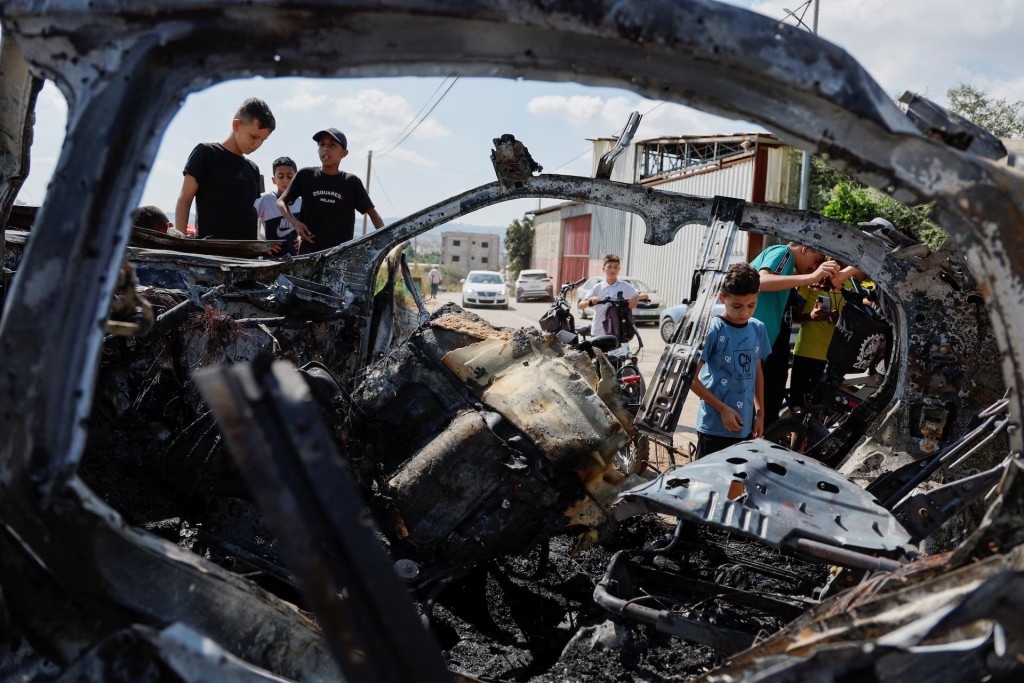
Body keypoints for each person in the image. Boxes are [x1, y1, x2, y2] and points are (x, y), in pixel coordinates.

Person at [749, 242, 842, 427]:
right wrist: (811, 277)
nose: (814, 267)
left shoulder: (790, 268)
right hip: (754, 343)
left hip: (764, 346)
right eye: (816, 261)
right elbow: (762, 281)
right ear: (805, 249)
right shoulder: (784, 253)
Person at [691, 263, 772, 458]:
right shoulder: (712, 330)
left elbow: (757, 370)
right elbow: (690, 378)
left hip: (744, 427)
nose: (744, 312)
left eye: (751, 305)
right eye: (737, 306)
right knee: (709, 485)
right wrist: (723, 409)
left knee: (737, 482)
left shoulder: (758, 328)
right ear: (722, 298)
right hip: (714, 427)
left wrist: (760, 413)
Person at [175, 97, 276, 241]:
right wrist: (180, 241)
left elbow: (253, 213)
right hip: (212, 253)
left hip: (248, 256)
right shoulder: (206, 153)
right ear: (236, 125)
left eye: (263, 140)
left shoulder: (253, 168)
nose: (257, 144)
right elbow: (185, 199)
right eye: (253, 136)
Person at [277, 127, 384, 255]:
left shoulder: (351, 182)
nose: (325, 148)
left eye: (332, 145)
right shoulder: (306, 175)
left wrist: (388, 242)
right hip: (308, 254)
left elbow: (372, 213)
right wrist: (295, 223)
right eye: (322, 144)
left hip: (340, 256)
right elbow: (281, 202)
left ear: (344, 153)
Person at [788, 265, 867, 411]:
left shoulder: (850, 284)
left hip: (834, 357)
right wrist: (811, 316)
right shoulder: (814, 279)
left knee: (822, 410)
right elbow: (794, 316)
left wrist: (839, 318)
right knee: (799, 409)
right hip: (807, 352)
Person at [578, 253, 644, 338]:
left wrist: (636, 297)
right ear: (603, 269)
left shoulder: (624, 286)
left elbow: (645, 295)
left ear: (619, 269)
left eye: (616, 267)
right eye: (609, 267)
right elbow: (581, 305)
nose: (613, 270)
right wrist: (589, 301)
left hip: (618, 331)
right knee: (597, 351)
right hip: (598, 331)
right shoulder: (598, 287)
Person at [255, 156, 301, 256]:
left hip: (294, 259)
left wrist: (300, 241)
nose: (285, 180)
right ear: (273, 179)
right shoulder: (266, 199)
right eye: (280, 176)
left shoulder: (300, 202)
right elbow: (247, 223)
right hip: (269, 260)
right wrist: (260, 245)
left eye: (290, 176)